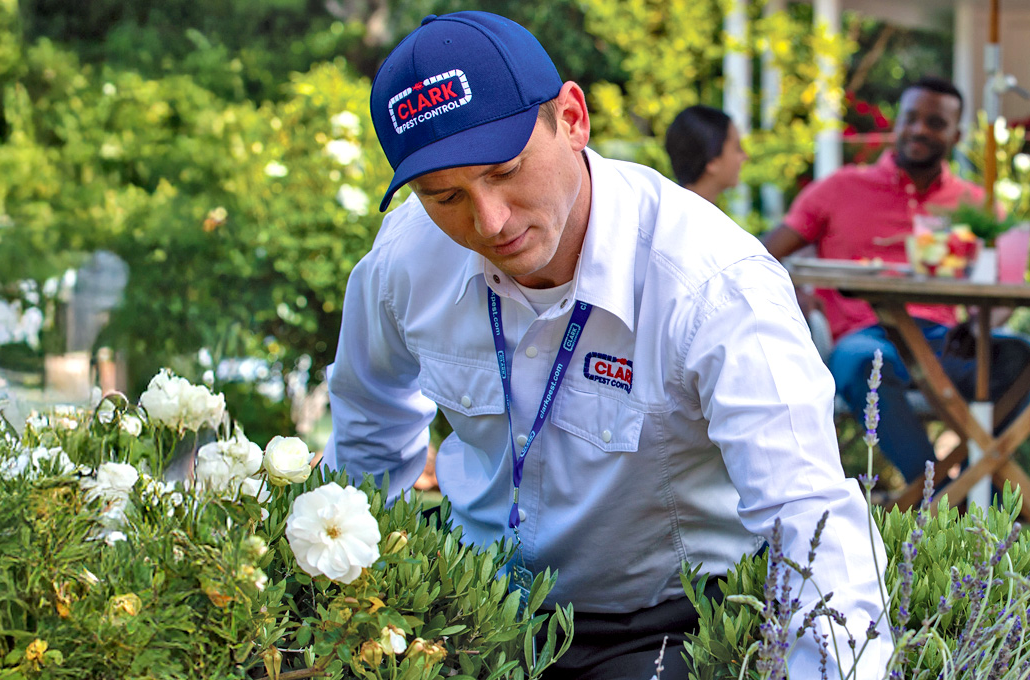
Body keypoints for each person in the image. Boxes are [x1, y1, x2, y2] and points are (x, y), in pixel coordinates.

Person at [327, 12, 889, 679]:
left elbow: (805, 510)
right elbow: (368, 428)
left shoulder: (713, 285)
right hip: (470, 607)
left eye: (505, 170)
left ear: (571, 119)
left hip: (661, 624)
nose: (488, 221)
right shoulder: (403, 259)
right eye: (442, 195)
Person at [760, 77, 1030, 486]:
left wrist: (980, 325)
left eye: (935, 122)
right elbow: (759, 255)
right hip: (864, 337)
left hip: (945, 341)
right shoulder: (839, 188)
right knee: (865, 365)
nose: (920, 129)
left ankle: (983, 497)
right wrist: (794, 294)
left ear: (956, 135)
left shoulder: (976, 204)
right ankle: (941, 498)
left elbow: (1004, 290)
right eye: (911, 118)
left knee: (1021, 356)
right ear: (897, 124)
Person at [663, 105, 746, 205]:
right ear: (712, 161)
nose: (745, 156)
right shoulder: (699, 217)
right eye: (737, 148)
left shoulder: (667, 211)